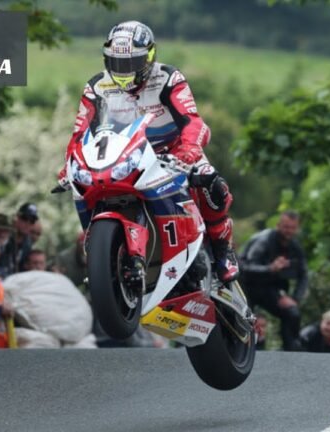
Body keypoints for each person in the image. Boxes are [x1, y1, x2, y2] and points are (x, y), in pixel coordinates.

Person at [56, 21, 239, 283]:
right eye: (117, 63)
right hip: (122, 158)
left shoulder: (168, 78)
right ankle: (101, 255)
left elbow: (193, 121)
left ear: (149, 57)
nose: (124, 71)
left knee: (211, 181)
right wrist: (70, 163)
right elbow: (79, 133)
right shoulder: (96, 87)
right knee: (82, 186)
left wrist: (189, 149)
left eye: (131, 63)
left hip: (172, 152)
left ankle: (223, 248)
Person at [239, 211, 307, 351]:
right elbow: (245, 268)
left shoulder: (294, 247)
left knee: (292, 312)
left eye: (292, 228)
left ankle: (290, 350)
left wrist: (295, 298)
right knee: (247, 324)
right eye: (286, 227)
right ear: (278, 225)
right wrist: (270, 268)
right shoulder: (264, 241)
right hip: (246, 287)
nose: (289, 231)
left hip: (269, 289)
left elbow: (303, 275)